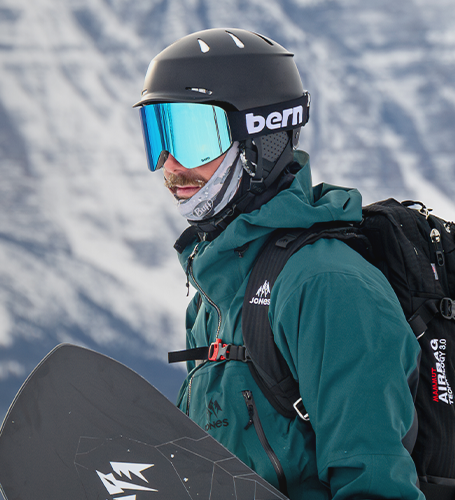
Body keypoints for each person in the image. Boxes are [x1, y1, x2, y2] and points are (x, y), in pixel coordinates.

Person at [137, 28, 423, 500]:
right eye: (159, 136)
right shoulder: (218, 288)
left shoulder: (327, 286)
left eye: (191, 137)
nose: (169, 166)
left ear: (261, 140)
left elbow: (376, 486)